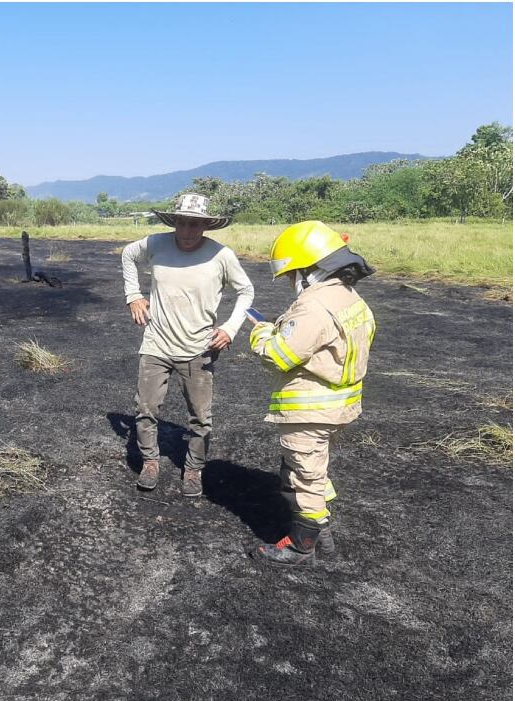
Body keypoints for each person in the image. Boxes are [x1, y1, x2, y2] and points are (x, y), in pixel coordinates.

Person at [248, 221, 376, 566]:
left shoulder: (313, 306)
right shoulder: (351, 299)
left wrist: (260, 334)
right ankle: (324, 533)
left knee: (304, 473)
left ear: (309, 269)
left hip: (310, 410)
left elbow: (280, 357)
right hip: (340, 408)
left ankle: (302, 545)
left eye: (291, 275)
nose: (291, 282)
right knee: (313, 469)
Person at [121, 193, 254, 496]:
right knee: (145, 409)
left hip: (199, 349)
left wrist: (231, 328)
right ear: (174, 222)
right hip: (156, 345)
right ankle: (150, 462)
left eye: (195, 225)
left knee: (201, 418)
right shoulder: (156, 244)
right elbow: (128, 254)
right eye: (182, 223)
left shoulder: (221, 256)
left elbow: (246, 291)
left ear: (206, 225)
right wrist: (134, 295)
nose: (187, 232)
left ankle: (193, 469)